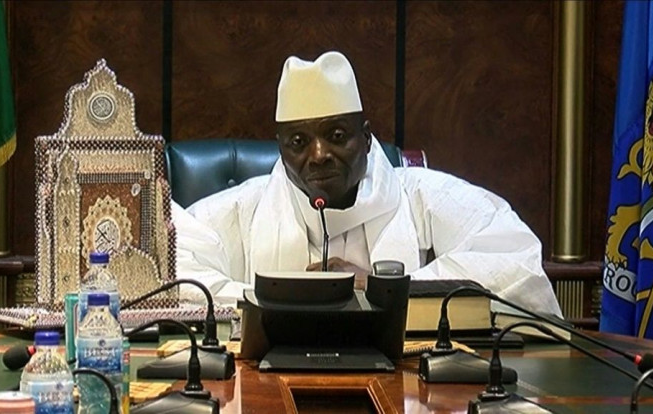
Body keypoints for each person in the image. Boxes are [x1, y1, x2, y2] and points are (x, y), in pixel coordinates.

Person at [172, 51, 562, 317]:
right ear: (280, 149)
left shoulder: (421, 196)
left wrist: (383, 289)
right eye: (298, 142)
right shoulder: (247, 208)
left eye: (337, 135)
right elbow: (173, 271)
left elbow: (513, 263)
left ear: (367, 137)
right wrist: (282, 299)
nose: (319, 153)